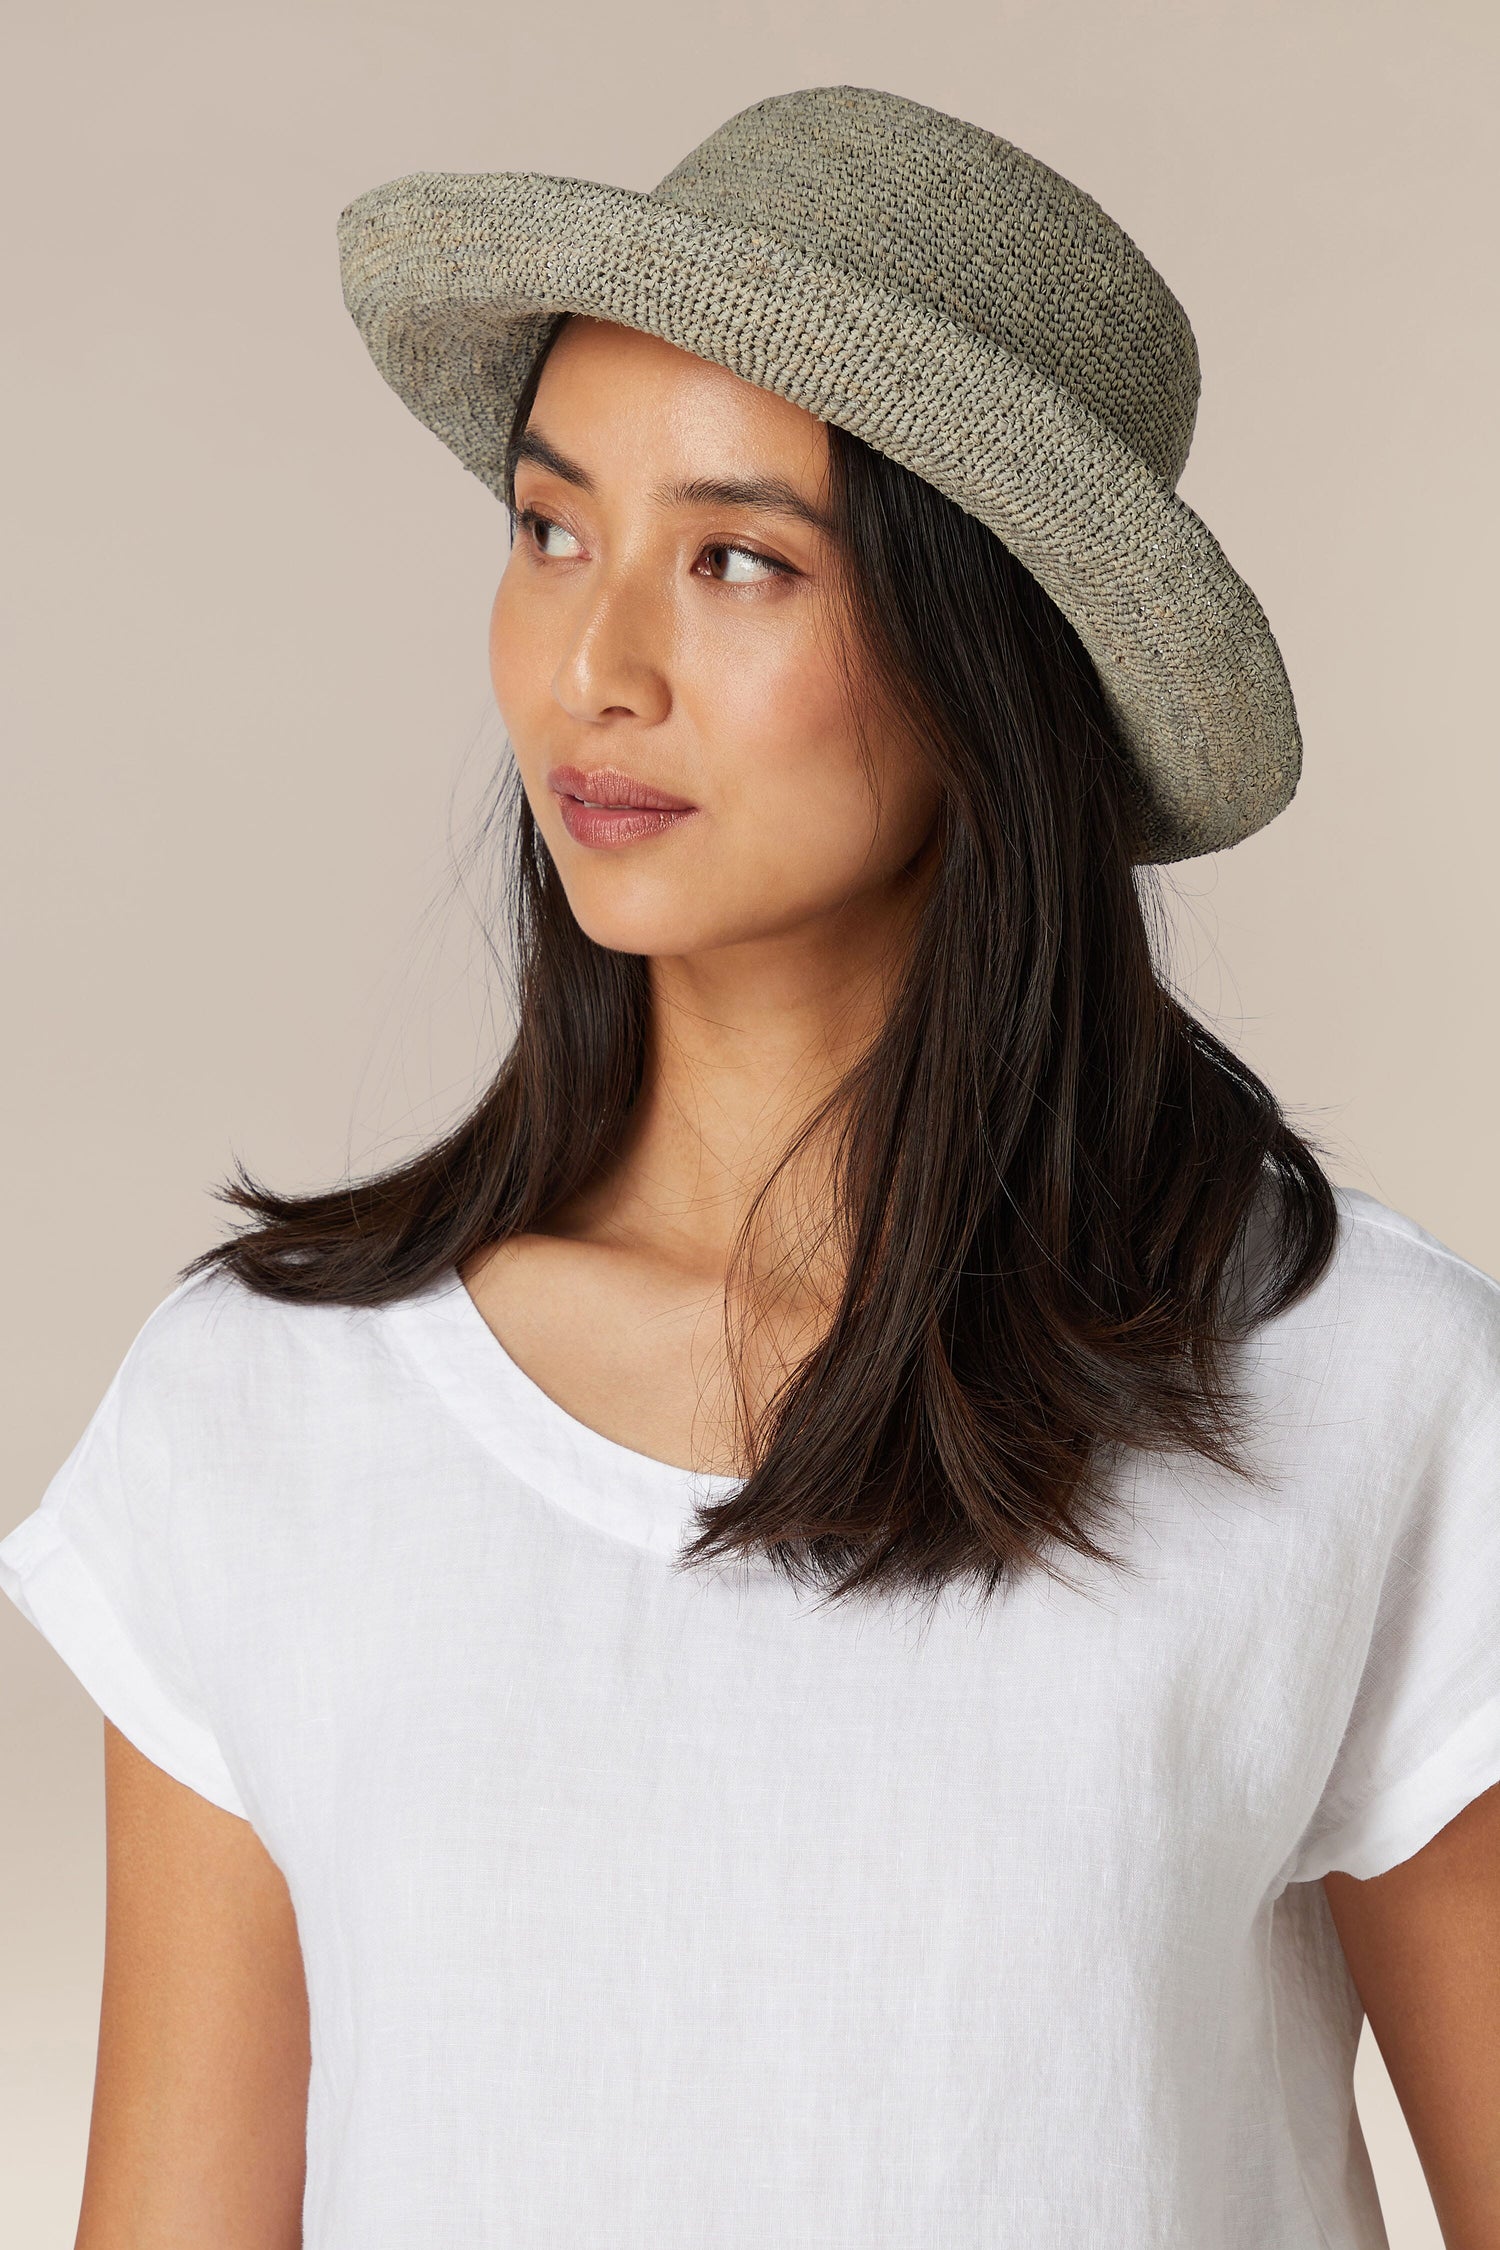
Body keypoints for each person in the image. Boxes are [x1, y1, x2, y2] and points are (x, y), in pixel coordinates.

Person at [3, 82, 1497, 2250]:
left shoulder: (1361, 1392)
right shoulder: (265, 1419)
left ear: (993, 656)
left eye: (735, 560)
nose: (594, 668)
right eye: (548, 532)